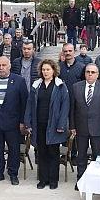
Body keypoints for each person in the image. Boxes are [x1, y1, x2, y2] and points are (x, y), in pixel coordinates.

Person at [24, 59, 69, 189]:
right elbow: (30, 104)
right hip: (39, 124)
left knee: (53, 153)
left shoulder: (60, 86)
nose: (45, 72)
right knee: (41, 152)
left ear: (54, 70)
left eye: (48, 69)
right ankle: (43, 180)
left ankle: (53, 180)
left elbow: (65, 106)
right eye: (43, 69)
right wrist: (28, 122)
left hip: (54, 126)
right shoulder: (36, 85)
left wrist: (61, 125)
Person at [0, 56, 28, 186]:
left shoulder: (19, 81)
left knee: (13, 149)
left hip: (13, 123)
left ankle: (13, 173)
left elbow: (24, 103)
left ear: (9, 66)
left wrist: (22, 122)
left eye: (4, 65)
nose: (1, 68)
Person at [69, 64, 100, 185]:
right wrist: (72, 126)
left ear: (97, 74)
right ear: (85, 73)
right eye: (88, 72)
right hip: (80, 128)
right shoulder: (76, 87)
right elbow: (73, 109)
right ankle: (81, 181)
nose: (90, 74)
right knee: (81, 156)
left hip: (98, 128)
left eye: (93, 72)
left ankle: (96, 182)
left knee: (97, 156)